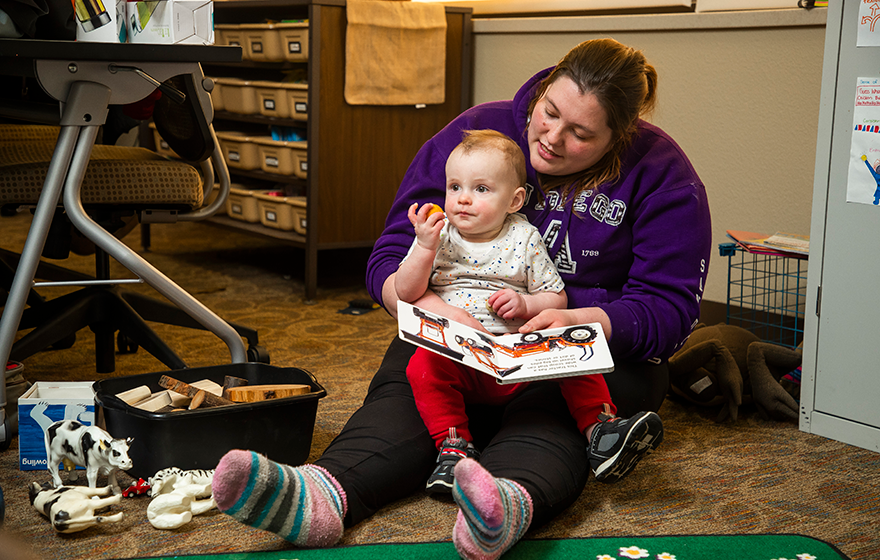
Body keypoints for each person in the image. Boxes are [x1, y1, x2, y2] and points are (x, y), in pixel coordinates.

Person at [211, 38, 712, 560]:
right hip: (462, 333)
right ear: (542, 90)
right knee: (411, 380)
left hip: (584, 348)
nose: (552, 139)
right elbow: (389, 255)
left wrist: (568, 319)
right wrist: (432, 309)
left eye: (581, 134)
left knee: (553, 410)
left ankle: (504, 504)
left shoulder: (662, 172)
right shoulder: (476, 139)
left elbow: (668, 310)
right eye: (549, 113)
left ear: (619, 135)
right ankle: (321, 495)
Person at [397, 129, 663, 495]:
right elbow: (405, 292)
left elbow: (555, 297)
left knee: (572, 351)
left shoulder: (524, 238)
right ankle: (453, 448)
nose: (462, 200)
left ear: (514, 200)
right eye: (454, 187)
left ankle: (602, 430)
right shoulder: (437, 236)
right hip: (459, 356)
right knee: (420, 366)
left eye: (481, 189)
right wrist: (424, 247)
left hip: (518, 356)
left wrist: (525, 304)